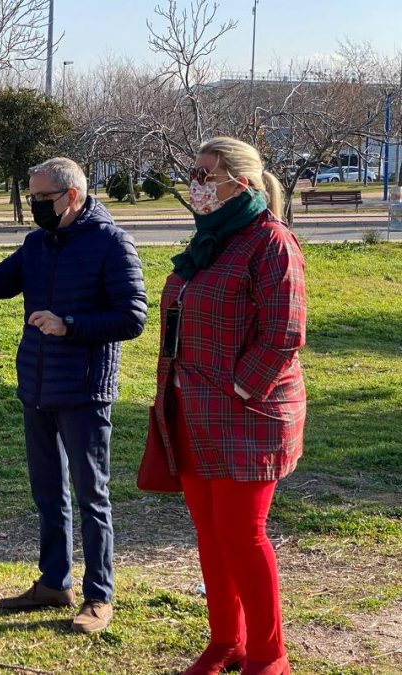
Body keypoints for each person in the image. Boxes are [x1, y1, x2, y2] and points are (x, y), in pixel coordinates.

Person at [0, 157, 147, 633]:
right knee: (48, 495)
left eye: (41, 199)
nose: (34, 207)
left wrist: (68, 326)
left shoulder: (111, 244)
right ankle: (54, 582)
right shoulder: (37, 244)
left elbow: (132, 317)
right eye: (30, 198)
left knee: (91, 496)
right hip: (37, 386)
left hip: (85, 390)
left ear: (72, 196)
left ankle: (99, 595)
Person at [149, 137, 306, 675]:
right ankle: (226, 641)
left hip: (249, 415)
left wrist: (240, 389)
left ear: (240, 181)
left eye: (206, 174)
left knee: (243, 534)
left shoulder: (270, 241)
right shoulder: (209, 240)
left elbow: (284, 334)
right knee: (212, 536)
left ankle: (268, 656)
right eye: (193, 172)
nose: (196, 183)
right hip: (191, 409)